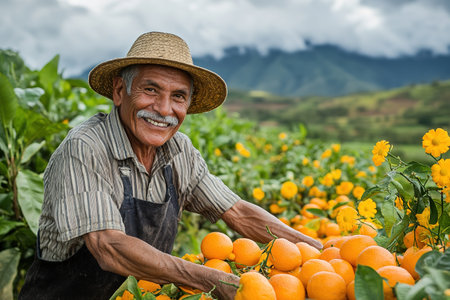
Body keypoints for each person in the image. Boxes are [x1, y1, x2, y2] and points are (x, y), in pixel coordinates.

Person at [19, 32, 322, 300]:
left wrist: (317, 250)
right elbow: (108, 246)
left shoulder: (180, 151)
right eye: (150, 90)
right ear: (119, 91)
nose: (164, 110)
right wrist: (210, 279)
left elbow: (238, 212)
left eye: (178, 97)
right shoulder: (85, 148)